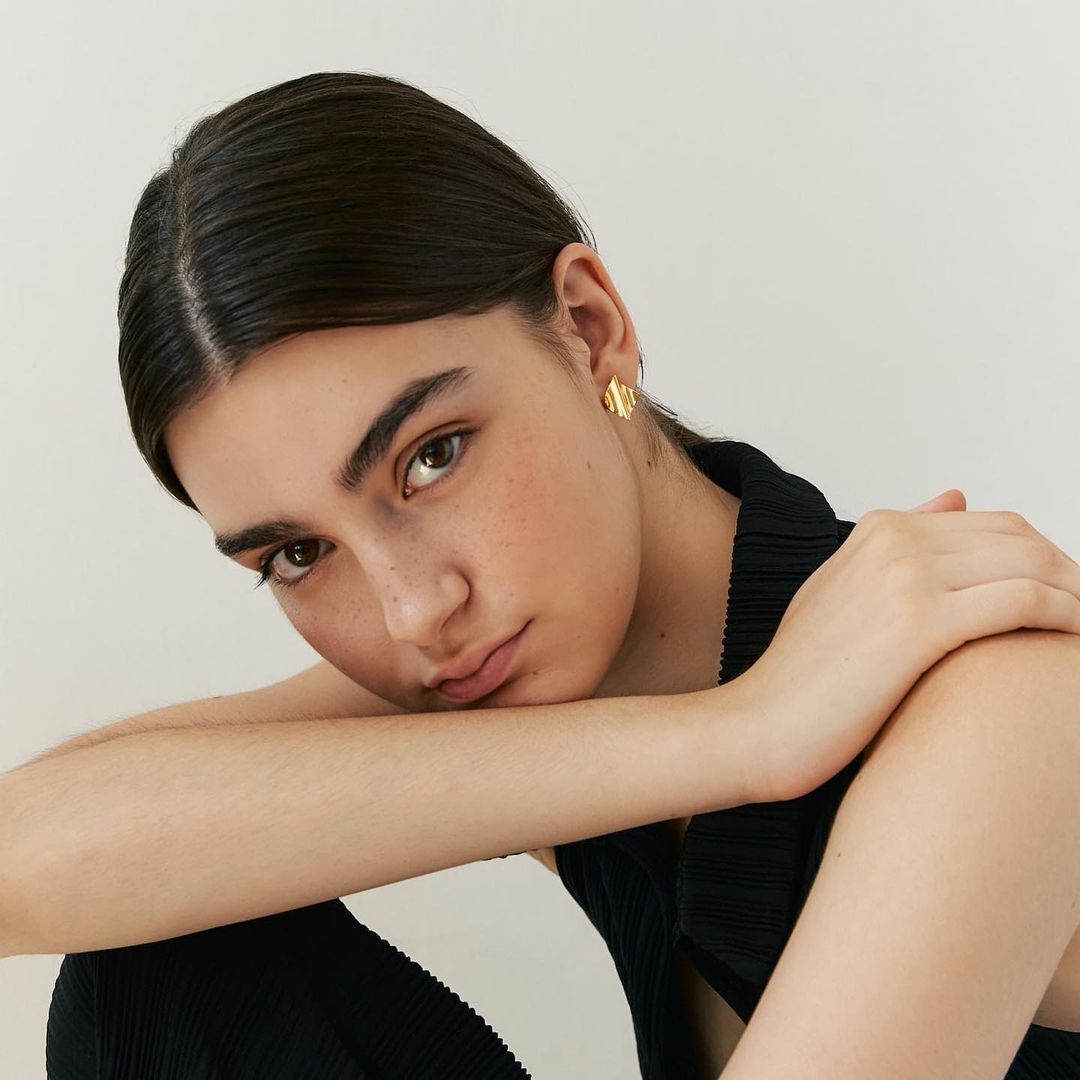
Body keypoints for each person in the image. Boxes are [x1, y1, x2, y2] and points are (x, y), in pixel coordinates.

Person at [8, 71, 1076, 1078]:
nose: (414, 612)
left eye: (432, 457)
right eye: (299, 553)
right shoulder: (530, 674)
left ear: (590, 329)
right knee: (164, 964)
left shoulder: (1001, 694)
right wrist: (743, 734)